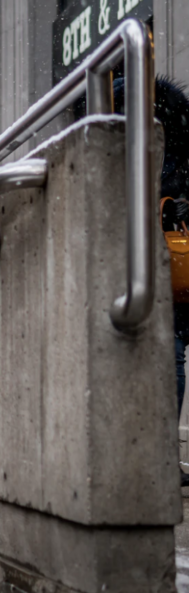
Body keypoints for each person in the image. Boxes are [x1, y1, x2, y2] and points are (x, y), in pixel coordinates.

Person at [117, 76, 189, 486]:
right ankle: (136, 454)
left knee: (173, 358)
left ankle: (162, 456)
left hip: (168, 265)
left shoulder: (177, 146)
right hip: (127, 263)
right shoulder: (115, 147)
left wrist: (180, 205)